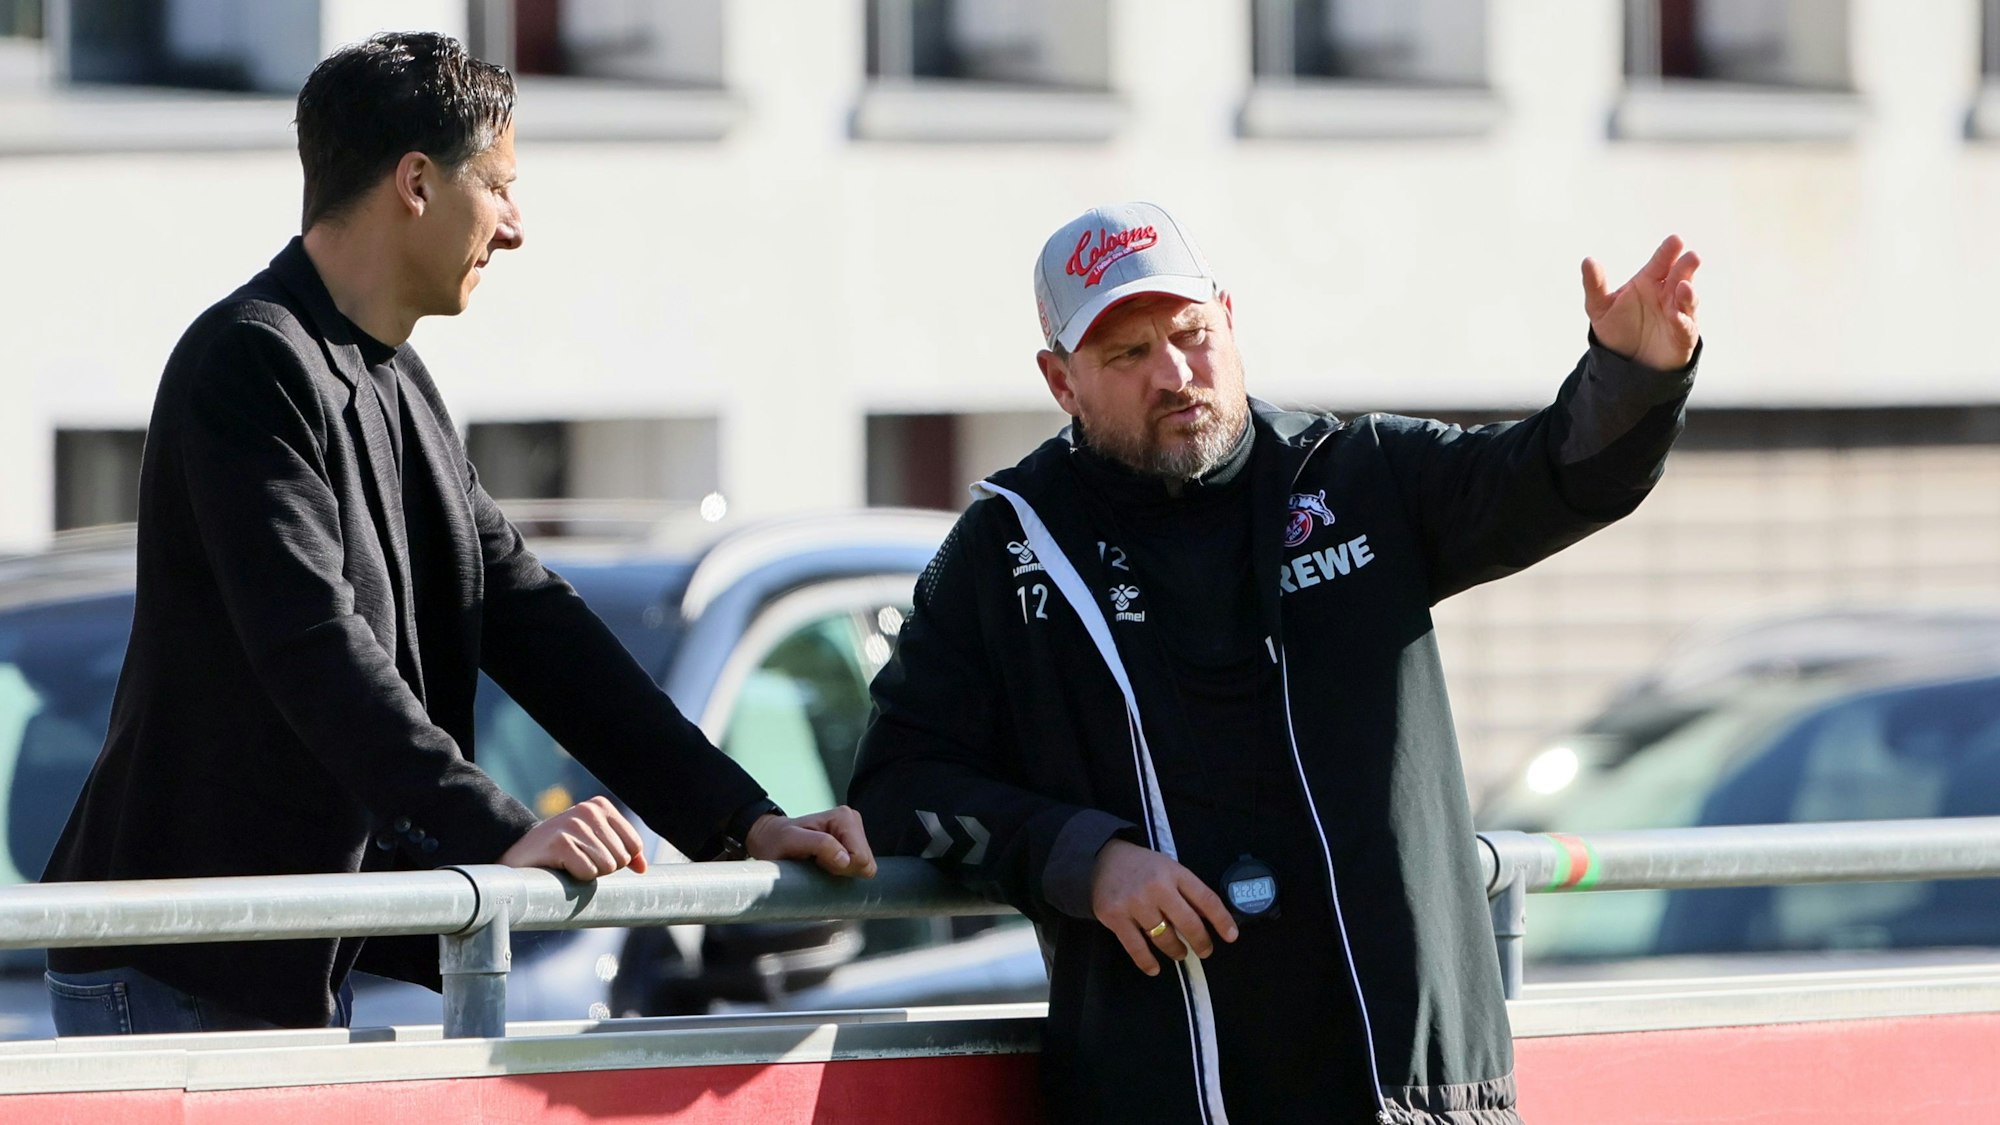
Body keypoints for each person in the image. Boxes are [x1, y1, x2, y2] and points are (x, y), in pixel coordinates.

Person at [41, 32, 874, 1036]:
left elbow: (532, 621)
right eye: (501, 186)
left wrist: (739, 823)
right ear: (416, 183)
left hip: (278, 961)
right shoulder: (249, 365)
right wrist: (501, 832)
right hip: (178, 966)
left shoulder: (397, 385)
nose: (516, 228)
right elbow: (315, 647)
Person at [848, 201, 1701, 1123]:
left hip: (1411, 1091)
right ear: (1062, 381)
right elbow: (899, 787)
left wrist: (1633, 377)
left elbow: (1552, 475)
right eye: (1127, 355)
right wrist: (1082, 857)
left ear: (1228, 317)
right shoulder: (1008, 544)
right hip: (1166, 1091)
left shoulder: (1352, 475)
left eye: (1189, 333)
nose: (1175, 374)